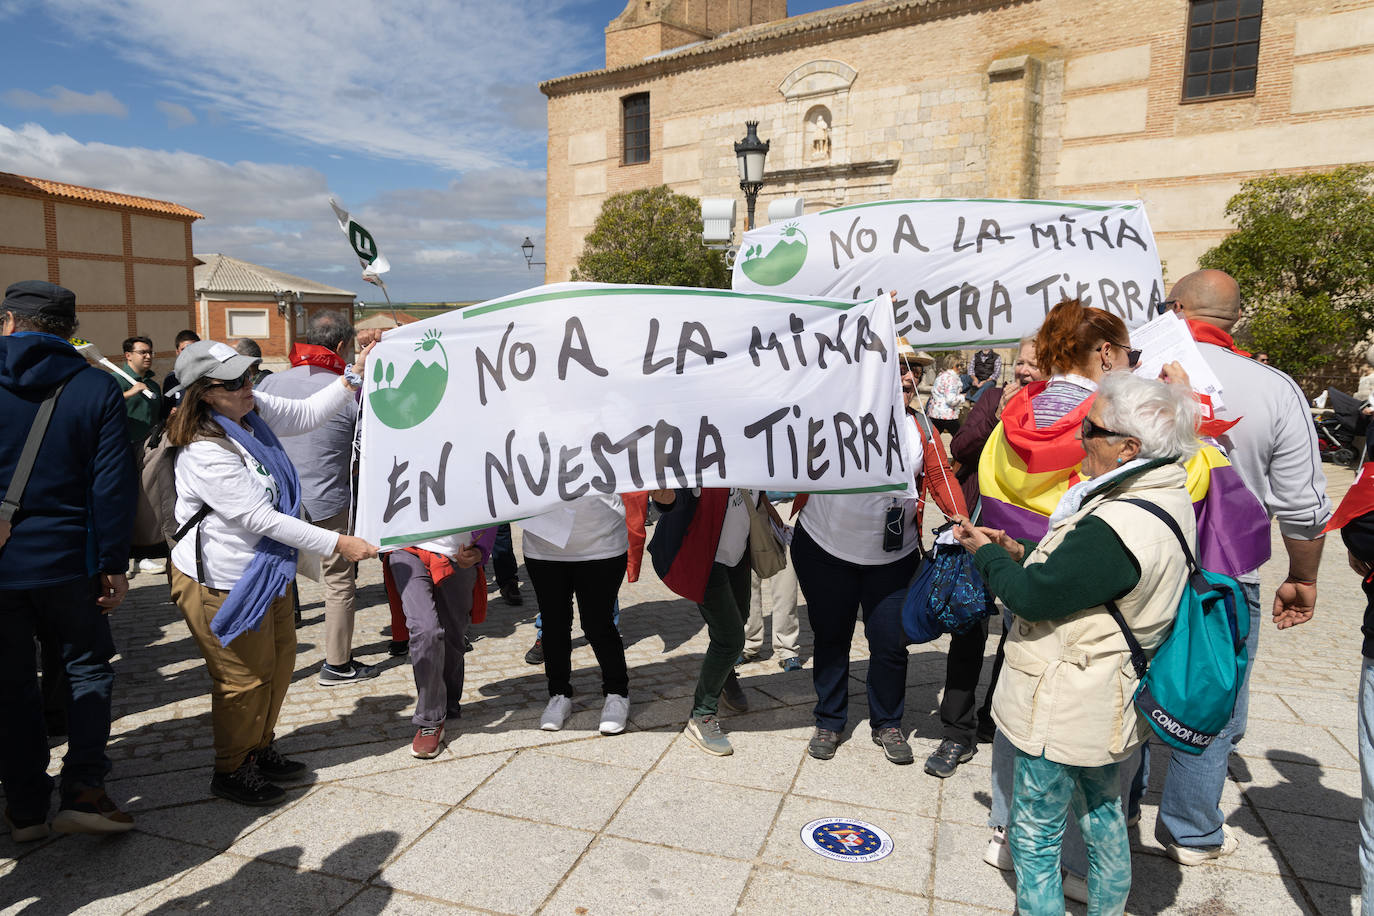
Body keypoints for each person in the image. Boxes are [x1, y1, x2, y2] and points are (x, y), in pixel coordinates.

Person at [955, 371, 1200, 915]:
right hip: (1105, 693)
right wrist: (1021, 553)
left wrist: (988, 556)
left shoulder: (1118, 520)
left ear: (1128, 447)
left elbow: (1033, 600)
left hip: (1067, 696)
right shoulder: (1163, 495)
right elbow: (1081, 583)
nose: (1078, 438)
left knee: (1036, 837)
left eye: (1090, 429)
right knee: (1103, 814)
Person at [1150, 269, 1331, 864]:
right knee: (1215, 700)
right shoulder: (1276, 388)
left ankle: (1113, 807)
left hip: (1137, 561)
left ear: (1174, 308)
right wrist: (1303, 577)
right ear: (1235, 320)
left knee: (1122, 681)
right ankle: (1191, 829)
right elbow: (1303, 505)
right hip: (1227, 575)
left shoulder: (1130, 371)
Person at [165, 339, 378, 806]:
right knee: (244, 679)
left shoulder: (250, 412)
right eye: (235, 381)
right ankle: (232, 768)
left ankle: (259, 748)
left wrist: (354, 374)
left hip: (267, 568)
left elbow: (305, 415)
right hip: (225, 581)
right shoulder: (204, 447)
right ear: (204, 392)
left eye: (250, 376)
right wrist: (339, 543)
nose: (249, 387)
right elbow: (257, 518)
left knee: (279, 664)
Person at [0, 281, 137, 840]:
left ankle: (25, 807)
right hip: (70, 560)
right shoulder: (95, 386)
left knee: (10, 685)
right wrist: (113, 563)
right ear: (68, 327)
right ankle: (83, 788)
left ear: (9, 321)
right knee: (85, 668)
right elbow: (112, 487)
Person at [794, 340, 965, 766]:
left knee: (889, 644)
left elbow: (941, 476)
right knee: (832, 639)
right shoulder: (834, 416)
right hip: (826, 550)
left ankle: (887, 722)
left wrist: (962, 520)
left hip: (892, 559)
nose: (909, 379)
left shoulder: (918, 427)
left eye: (914, 375)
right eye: (898, 372)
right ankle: (829, 720)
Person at [927, 337, 1044, 779]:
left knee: (1021, 633)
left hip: (1032, 541)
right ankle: (956, 732)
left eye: (1035, 364)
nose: (1023, 371)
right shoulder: (994, 397)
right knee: (968, 627)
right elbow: (961, 449)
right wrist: (997, 419)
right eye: (1020, 362)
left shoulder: (1068, 410)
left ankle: (994, 719)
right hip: (981, 533)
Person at [256, 311, 379, 685]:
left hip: (277, 501)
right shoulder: (354, 389)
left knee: (275, 577)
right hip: (328, 498)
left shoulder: (271, 384)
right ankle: (337, 664)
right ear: (342, 346)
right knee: (339, 583)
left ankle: (271, 662)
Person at [648, 487, 766, 756]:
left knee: (740, 618)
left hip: (737, 554)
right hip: (704, 556)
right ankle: (702, 715)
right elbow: (681, 496)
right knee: (731, 639)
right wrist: (667, 499)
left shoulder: (757, 448)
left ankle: (724, 677)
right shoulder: (706, 450)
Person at [525, 495, 633, 735]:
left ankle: (617, 693)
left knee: (598, 624)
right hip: (543, 545)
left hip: (601, 542)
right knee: (554, 624)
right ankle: (559, 694)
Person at [385, 527, 495, 758]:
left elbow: (492, 497)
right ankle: (430, 720)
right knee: (426, 630)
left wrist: (481, 548)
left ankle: (448, 701)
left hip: (459, 552)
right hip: (406, 548)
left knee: (454, 635)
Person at [117, 335, 166, 574]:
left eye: (150, 352)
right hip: (121, 451)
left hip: (149, 453)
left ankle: (143, 554)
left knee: (145, 502)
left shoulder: (154, 385)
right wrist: (128, 394)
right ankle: (122, 558)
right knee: (122, 502)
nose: (148, 356)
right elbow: (103, 407)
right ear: (128, 356)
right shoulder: (116, 381)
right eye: (142, 352)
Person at [741, 491, 802, 672]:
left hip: (785, 502)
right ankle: (748, 643)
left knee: (786, 584)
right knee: (747, 583)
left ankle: (787, 648)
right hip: (746, 504)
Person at [162, 329, 201, 417]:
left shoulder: (209, 375)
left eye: (192, 348)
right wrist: (171, 413)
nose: (187, 352)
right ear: (177, 352)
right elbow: (166, 408)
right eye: (183, 349)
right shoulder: (171, 378)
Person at [926, 358, 964, 436]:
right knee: (960, 439)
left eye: (961, 365)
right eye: (957, 366)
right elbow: (951, 400)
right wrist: (962, 397)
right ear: (951, 365)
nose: (960, 368)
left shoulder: (941, 376)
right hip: (947, 415)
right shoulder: (951, 379)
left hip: (935, 413)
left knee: (932, 439)